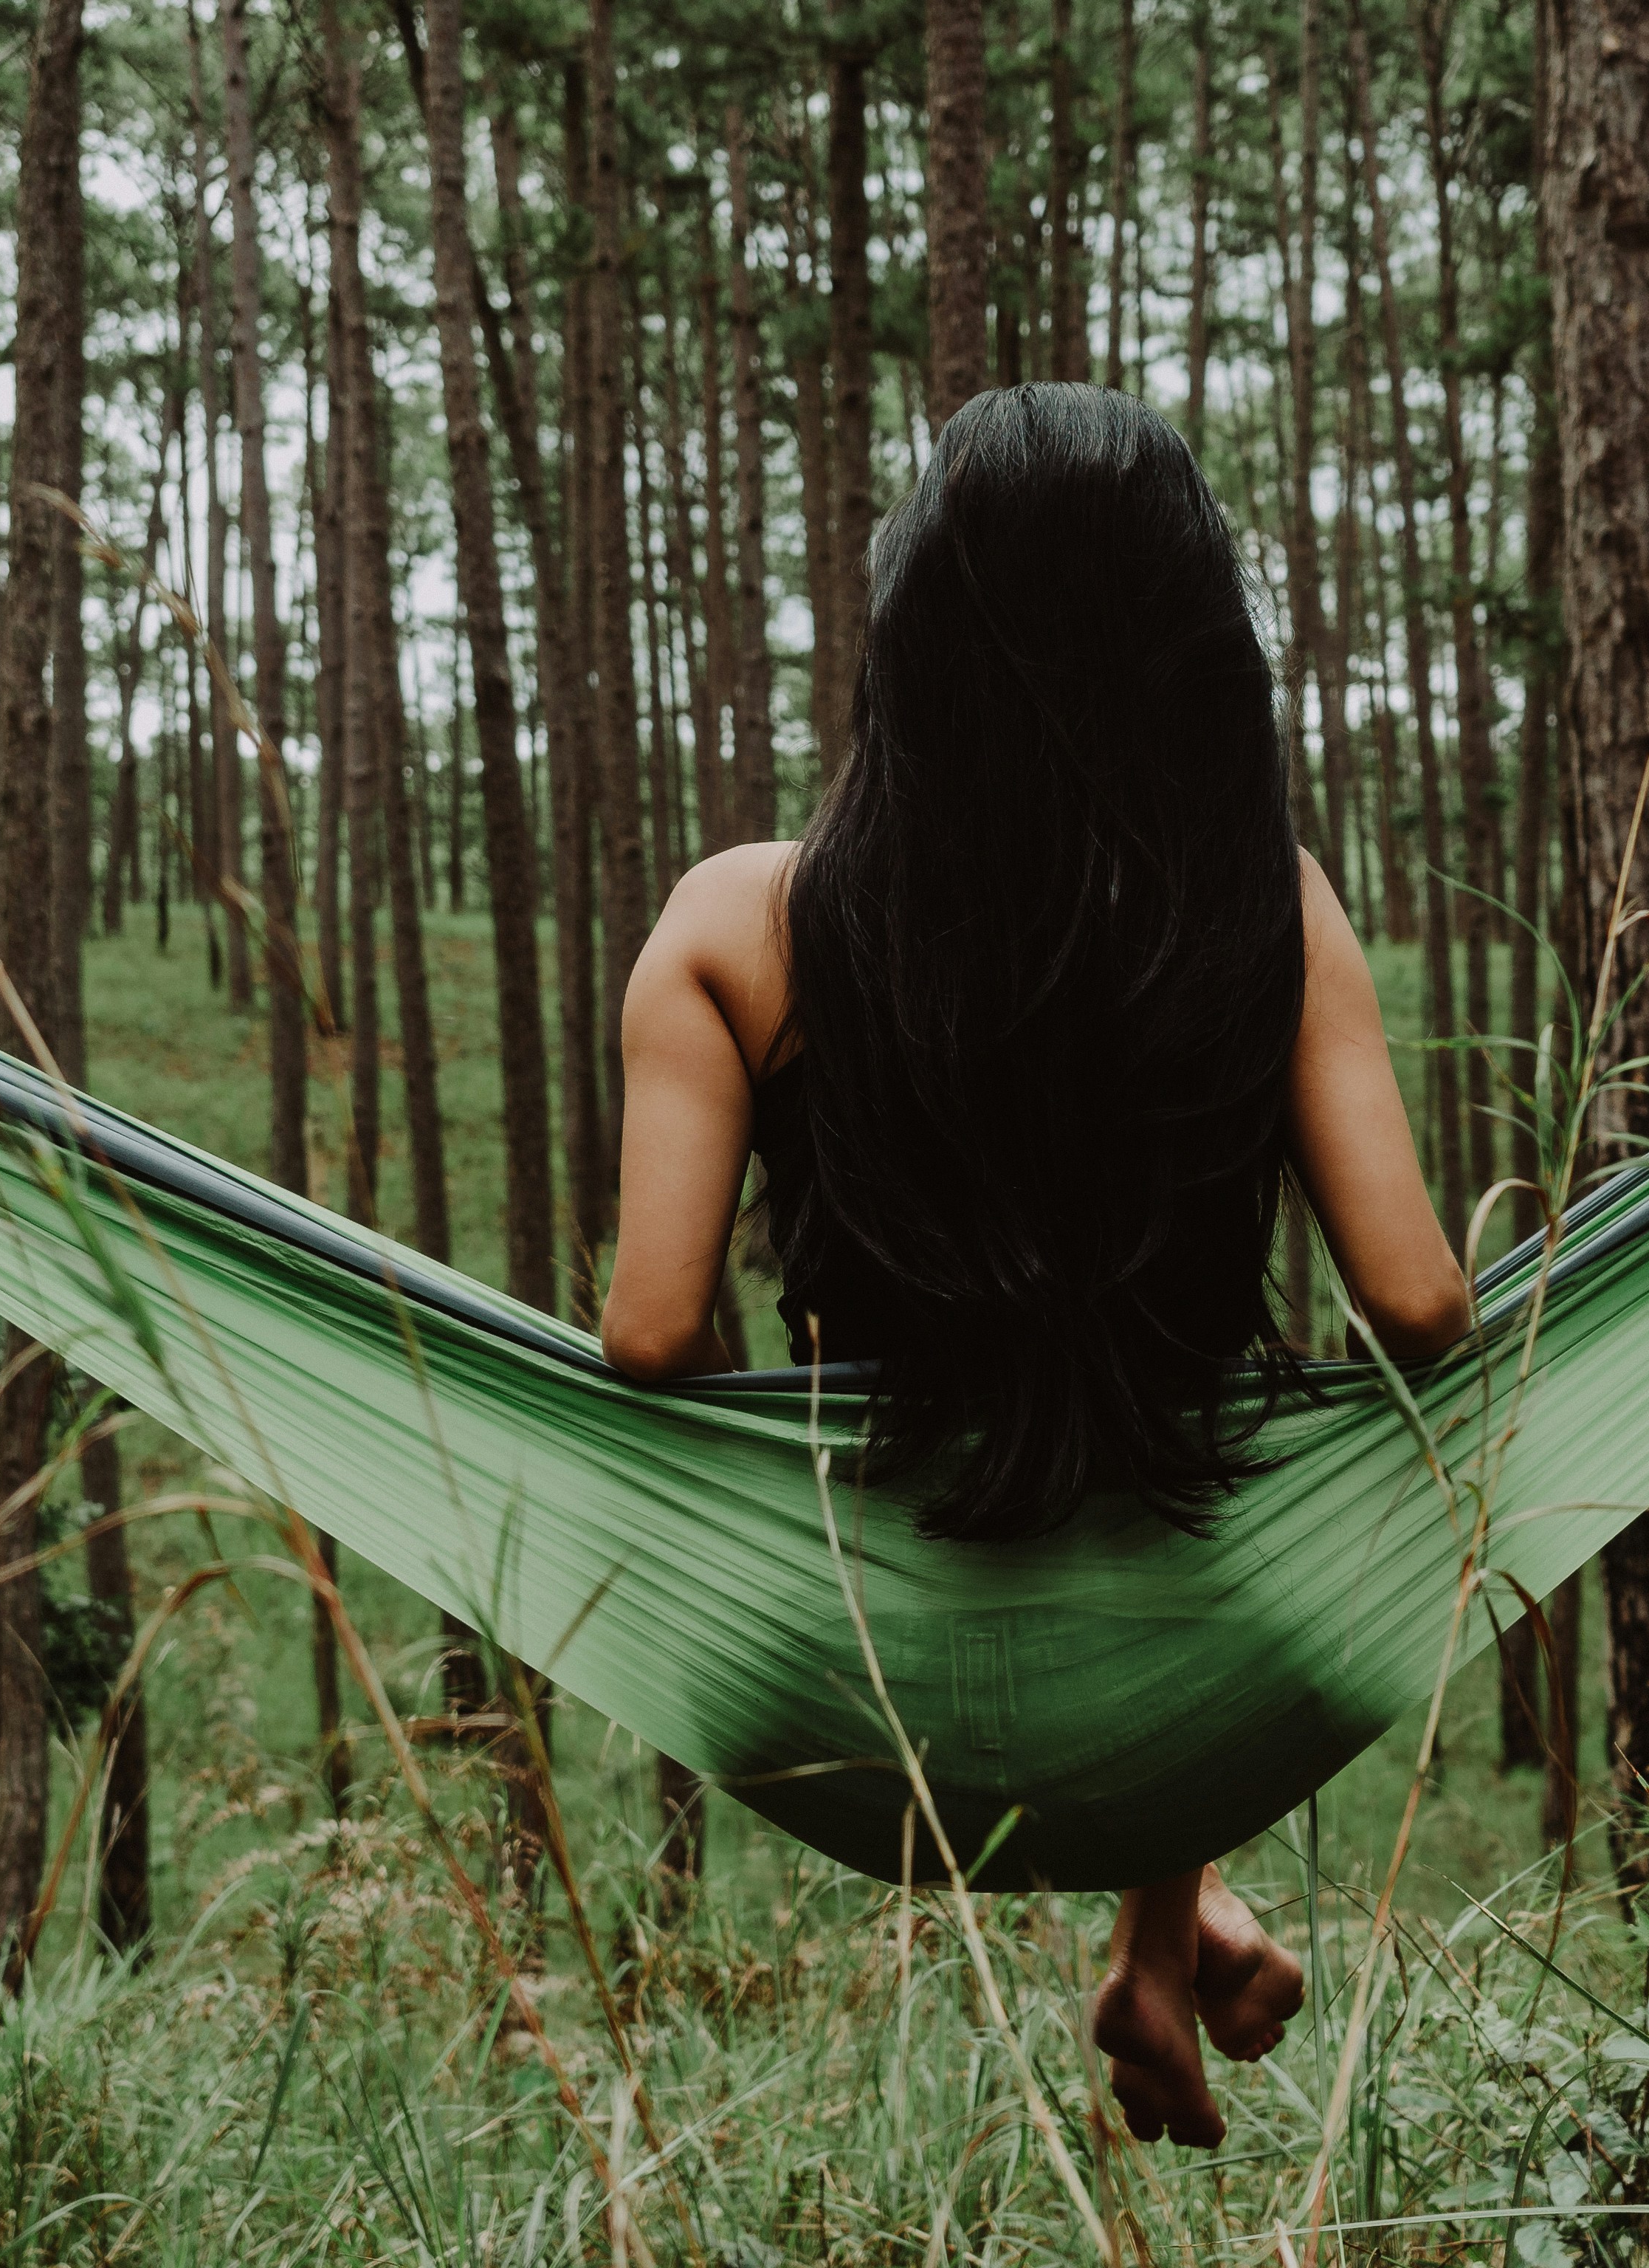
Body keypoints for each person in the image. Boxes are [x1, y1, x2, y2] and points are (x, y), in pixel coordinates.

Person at [597, 383, 1471, 2151]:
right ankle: (1175, 1917)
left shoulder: (735, 926)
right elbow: (1419, 1304)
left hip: (855, 1669)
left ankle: (1171, 1950)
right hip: (1209, 1670)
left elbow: (651, 1331)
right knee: (1146, 1455)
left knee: (1064, 1446)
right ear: (1196, 653)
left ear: (914, 630)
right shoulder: (1265, 914)